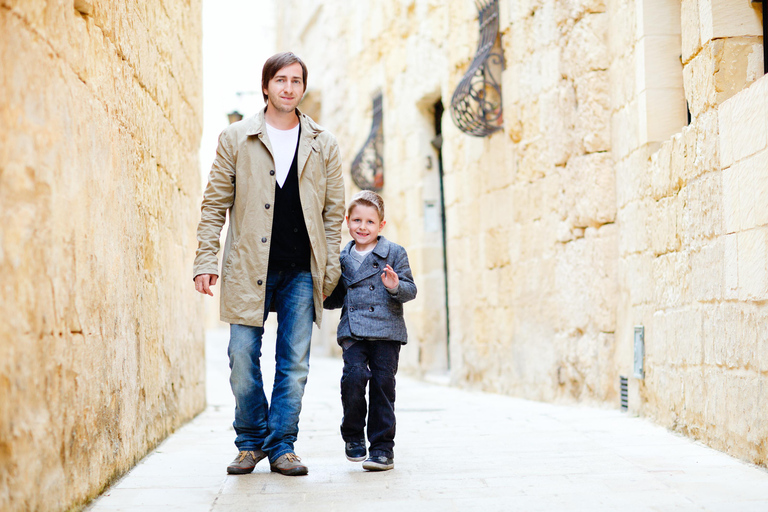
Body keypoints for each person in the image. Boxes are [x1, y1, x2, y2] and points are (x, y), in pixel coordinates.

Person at [193, 52, 345, 476]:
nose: (288, 87)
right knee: (241, 355)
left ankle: (282, 445)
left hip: (301, 270)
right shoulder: (236, 138)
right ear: (266, 86)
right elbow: (213, 205)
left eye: (296, 81)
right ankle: (250, 440)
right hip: (247, 266)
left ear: (303, 88)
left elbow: (334, 215)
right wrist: (206, 259)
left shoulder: (324, 143)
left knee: (294, 363)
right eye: (281, 80)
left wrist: (329, 272)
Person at [323, 191, 417, 471]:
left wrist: (393, 286)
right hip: (353, 331)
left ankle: (382, 449)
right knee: (352, 379)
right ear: (347, 221)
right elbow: (337, 299)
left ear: (381, 226)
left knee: (382, 387)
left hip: (387, 332)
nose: (363, 227)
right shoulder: (341, 258)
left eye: (370, 222)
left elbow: (410, 290)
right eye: (357, 220)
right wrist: (321, 292)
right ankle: (353, 437)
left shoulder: (395, 253)